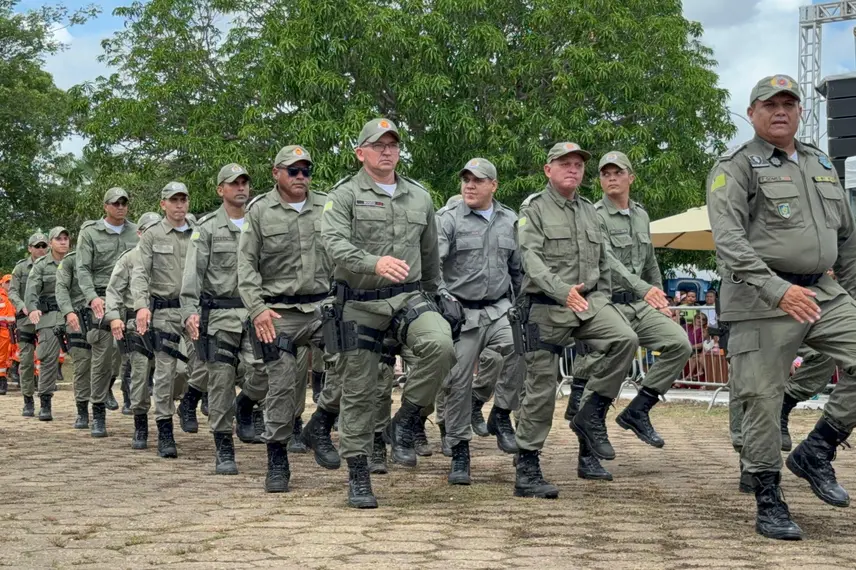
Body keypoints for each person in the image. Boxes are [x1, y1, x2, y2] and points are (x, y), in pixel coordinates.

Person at [707, 73, 856, 540]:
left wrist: (850, 293)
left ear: (800, 111)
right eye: (769, 104)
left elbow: (846, 238)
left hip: (822, 293)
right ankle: (768, 498)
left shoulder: (821, 164)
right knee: (761, 401)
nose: (780, 111)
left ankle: (818, 449)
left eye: (789, 103)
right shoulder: (735, 166)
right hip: (760, 299)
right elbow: (729, 241)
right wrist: (777, 290)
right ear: (752, 113)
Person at [321, 118, 455, 508]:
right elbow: (332, 242)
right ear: (360, 152)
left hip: (409, 297)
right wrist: (373, 262)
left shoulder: (420, 197)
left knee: (440, 344)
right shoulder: (344, 195)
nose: (386, 151)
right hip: (360, 301)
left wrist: (437, 295)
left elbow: (430, 257)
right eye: (378, 145)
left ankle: (409, 418)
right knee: (360, 390)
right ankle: (359, 473)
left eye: (393, 144)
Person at [513, 142, 639, 499]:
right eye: (564, 163)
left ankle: (592, 414)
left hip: (588, 302)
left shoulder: (589, 211)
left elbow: (604, 261)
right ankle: (527, 465)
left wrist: (606, 298)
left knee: (624, 339)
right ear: (547, 170)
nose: (573, 169)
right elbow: (530, 259)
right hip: (546, 305)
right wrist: (560, 289)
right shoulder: (534, 209)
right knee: (540, 388)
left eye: (578, 164)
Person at [564, 151, 691, 481]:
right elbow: (609, 262)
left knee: (679, 343)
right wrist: (642, 288)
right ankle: (587, 456)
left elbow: (649, 261)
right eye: (605, 174)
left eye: (617, 172)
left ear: (631, 177)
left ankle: (639, 409)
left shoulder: (641, 215)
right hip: (608, 304)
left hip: (640, 303)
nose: (610, 178)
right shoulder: (593, 215)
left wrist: (659, 296)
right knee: (603, 373)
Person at [237, 145, 333, 493]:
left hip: (323, 307)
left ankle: (321, 423)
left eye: (306, 170)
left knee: (355, 360)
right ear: (276, 172)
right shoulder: (260, 211)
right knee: (281, 383)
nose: (301, 177)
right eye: (293, 171)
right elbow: (245, 266)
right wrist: (257, 309)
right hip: (278, 311)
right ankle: (277, 456)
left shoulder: (328, 206)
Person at [433, 157, 523, 485]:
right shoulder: (447, 220)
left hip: (498, 308)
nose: (469, 185)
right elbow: (433, 268)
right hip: (461, 312)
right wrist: (443, 299)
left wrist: (520, 306)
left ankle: (500, 414)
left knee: (521, 345)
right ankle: (459, 450)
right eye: (466, 179)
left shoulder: (510, 220)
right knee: (457, 380)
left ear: (493, 186)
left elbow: (517, 270)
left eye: (478, 180)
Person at [182, 163, 270, 475]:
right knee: (220, 379)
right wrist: (190, 313)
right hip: (218, 315)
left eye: (245, 182)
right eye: (233, 184)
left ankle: (245, 404)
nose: (241, 188)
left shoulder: (261, 222)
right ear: (221, 189)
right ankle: (223, 445)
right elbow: (192, 275)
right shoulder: (206, 228)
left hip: (254, 312)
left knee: (263, 369)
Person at [132, 182, 193, 457]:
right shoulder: (152, 235)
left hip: (195, 310)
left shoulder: (199, 232)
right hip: (165, 312)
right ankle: (165, 431)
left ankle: (191, 401)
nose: (179, 204)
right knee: (168, 371)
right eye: (174, 200)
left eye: (183, 199)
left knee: (199, 366)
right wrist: (141, 307)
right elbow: (141, 274)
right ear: (163, 204)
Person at [76, 188, 139, 437]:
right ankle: (98, 412)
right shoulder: (91, 232)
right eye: (115, 203)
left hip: (132, 298)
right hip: (102, 297)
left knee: (138, 356)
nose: (120, 207)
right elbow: (82, 269)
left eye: (124, 202)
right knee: (104, 356)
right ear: (106, 206)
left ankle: (136, 408)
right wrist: (92, 298)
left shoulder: (137, 232)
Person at [104, 212, 161, 448]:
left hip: (168, 320)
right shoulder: (130, 258)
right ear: (139, 233)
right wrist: (114, 317)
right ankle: (140, 424)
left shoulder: (172, 255)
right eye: (147, 230)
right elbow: (113, 290)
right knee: (139, 373)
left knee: (177, 372)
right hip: (136, 325)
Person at [24, 227, 71, 421]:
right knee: (48, 358)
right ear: (51, 242)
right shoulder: (42, 265)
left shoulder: (76, 261)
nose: (63, 242)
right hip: (49, 316)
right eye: (58, 239)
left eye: (66, 238)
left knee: (86, 357)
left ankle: (88, 405)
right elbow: (31, 290)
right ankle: (45, 401)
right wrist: (32, 308)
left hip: (72, 315)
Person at [9, 232, 49, 416]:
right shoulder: (21, 268)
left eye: (44, 246)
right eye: (37, 246)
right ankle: (28, 399)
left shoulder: (55, 266)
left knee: (47, 358)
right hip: (25, 318)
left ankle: (46, 400)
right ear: (30, 248)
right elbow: (13, 292)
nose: (41, 249)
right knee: (26, 360)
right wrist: (22, 306)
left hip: (47, 316)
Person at [0, 275, 15, 395]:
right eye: (7, 282)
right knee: (1, 357)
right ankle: (2, 381)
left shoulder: (14, 297)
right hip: (2, 331)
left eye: (11, 282)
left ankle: (7, 376)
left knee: (9, 357)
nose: (9, 284)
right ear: (2, 284)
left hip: (12, 332)